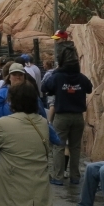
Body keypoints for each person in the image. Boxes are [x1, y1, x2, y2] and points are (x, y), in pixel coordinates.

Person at [41, 49, 93, 186]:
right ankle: (75, 176)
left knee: (59, 146)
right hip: (78, 117)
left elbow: (45, 87)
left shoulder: (58, 77)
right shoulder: (81, 77)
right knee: (75, 147)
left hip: (62, 116)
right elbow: (89, 88)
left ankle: (58, 177)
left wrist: (57, 72)